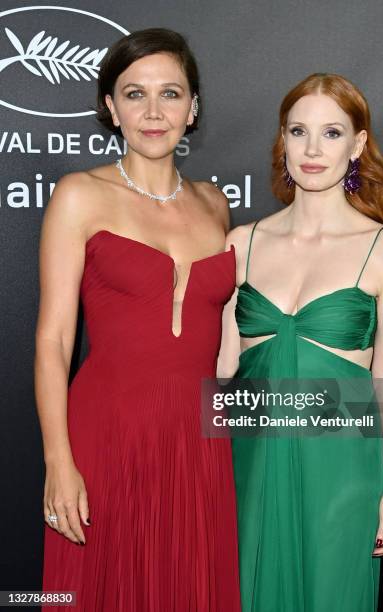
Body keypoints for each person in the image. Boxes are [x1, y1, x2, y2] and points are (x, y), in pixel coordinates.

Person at [35, 28, 241, 611]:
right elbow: (53, 340)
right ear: (110, 106)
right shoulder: (80, 195)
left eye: (171, 94)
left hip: (198, 442)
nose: (154, 112)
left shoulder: (215, 204)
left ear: (193, 106)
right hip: (108, 434)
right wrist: (59, 461)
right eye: (135, 94)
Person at [217, 73, 383, 611]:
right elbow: (222, 371)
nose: (311, 149)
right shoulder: (242, 242)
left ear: (358, 145)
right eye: (298, 131)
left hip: (342, 465)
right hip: (250, 462)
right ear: (282, 140)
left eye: (331, 133)